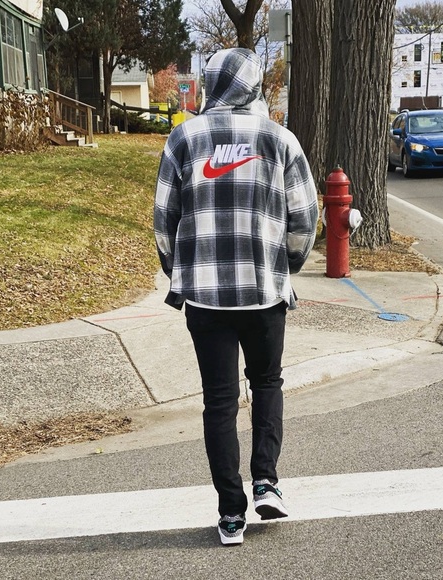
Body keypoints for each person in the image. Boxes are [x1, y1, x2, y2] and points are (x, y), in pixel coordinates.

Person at [154, 48, 318, 546]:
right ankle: (266, 481)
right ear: (253, 85)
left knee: (219, 401)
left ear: (210, 83)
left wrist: (179, 270)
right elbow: (304, 218)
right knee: (267, 382)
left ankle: (231, 513)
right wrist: (286, 267)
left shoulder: (185, 138)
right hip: (264, 292)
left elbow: (165, 218)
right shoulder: (279, 139)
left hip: (206, 298)